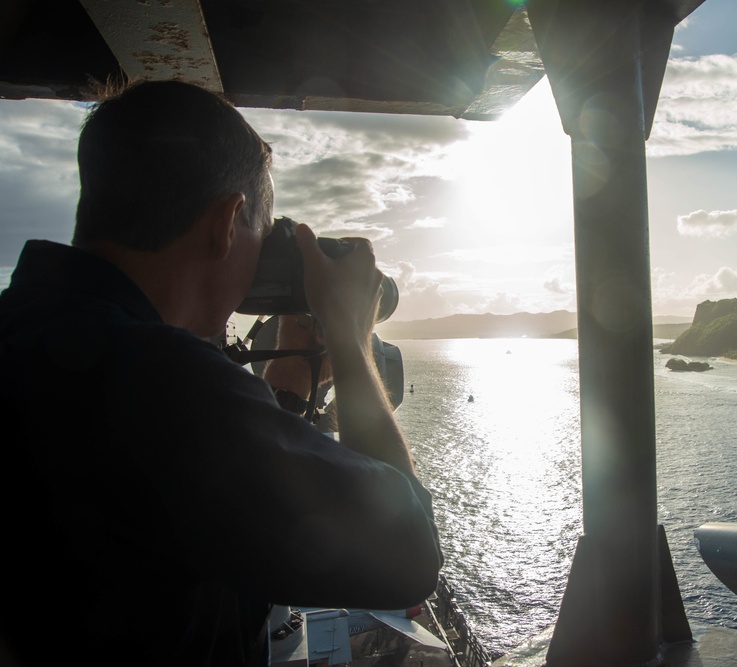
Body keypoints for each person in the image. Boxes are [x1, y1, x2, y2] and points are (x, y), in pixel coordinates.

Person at [0, 81, 441, 666]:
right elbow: (407, 558)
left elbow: (206, 494)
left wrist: (285, 387)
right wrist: (350, 339)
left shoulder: (34, 332)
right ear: (227, 221)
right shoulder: (161, 381)